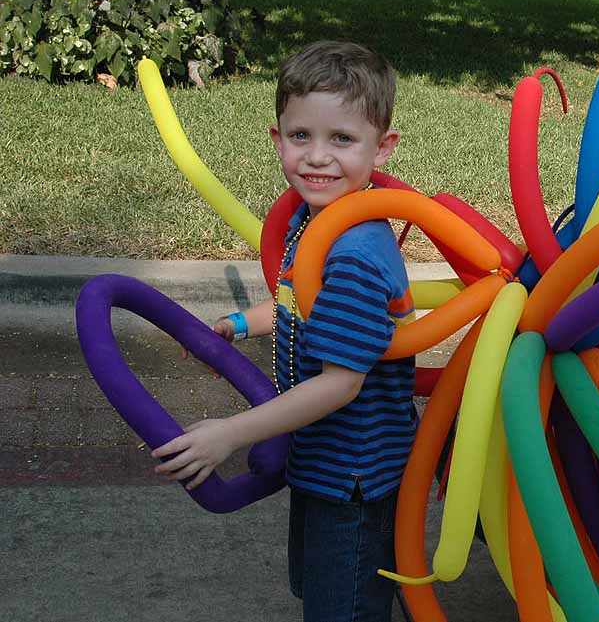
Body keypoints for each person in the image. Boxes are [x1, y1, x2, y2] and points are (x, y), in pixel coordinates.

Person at [152, 40, 416, 622]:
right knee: (321, 590)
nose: (317, 157)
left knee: (342, 607)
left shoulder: (353, 253)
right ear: (277, 139)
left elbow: (339, 385)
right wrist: (240, 324)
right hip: (322, 458)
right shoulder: (313, 217)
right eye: (301, 136)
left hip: (354, 472)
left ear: (383, 146)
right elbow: (300, 304)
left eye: (342, 139)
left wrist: (230, 434)